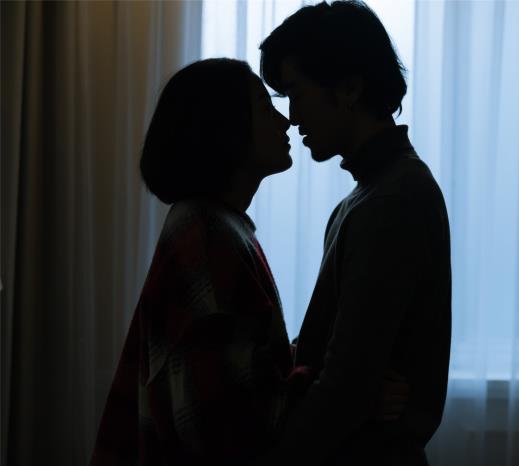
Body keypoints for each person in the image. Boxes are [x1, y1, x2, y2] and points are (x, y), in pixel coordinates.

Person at [257, 1, 452, 465]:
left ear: (349, 89)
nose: (292, 117)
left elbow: (344, 387)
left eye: (296, 94)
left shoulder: (390, 199)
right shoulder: (371, 195)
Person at [89, 58, 298, 466]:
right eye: (264, 107)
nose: (285, 121)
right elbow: (218, 420)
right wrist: (330, 384)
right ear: (225, 127)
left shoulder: (215, 225)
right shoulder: (207, 234)